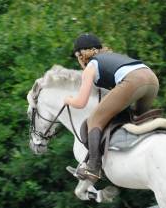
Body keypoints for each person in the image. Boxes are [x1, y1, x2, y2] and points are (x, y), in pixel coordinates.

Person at [65, 33, 159, 182]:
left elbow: (81, 102)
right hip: (152, 79)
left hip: (134, 82)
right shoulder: (113, 58)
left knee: (94, 119)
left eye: (77, 56)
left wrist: (69, 100)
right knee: (135, 119)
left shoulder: (91, 66)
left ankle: (93, 168)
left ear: (81, 54)